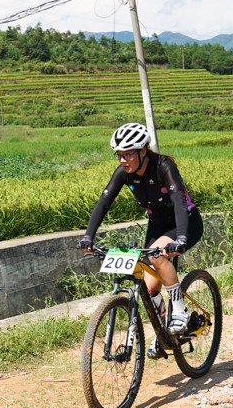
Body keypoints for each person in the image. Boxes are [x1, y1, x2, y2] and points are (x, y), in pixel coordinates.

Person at [79, 122, 204, 359]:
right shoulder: (123, 174)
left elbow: (178, 200)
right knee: (149, 287)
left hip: (184, 222)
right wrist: (88, 236)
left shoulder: (163, 167)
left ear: (142, 151)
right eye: (119, 155)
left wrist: (181, 238)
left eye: (128, 154)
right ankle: (165, 333)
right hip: (157, 225)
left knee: (157, 254)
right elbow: (104, 202)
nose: (123, 160)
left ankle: (179, 310)